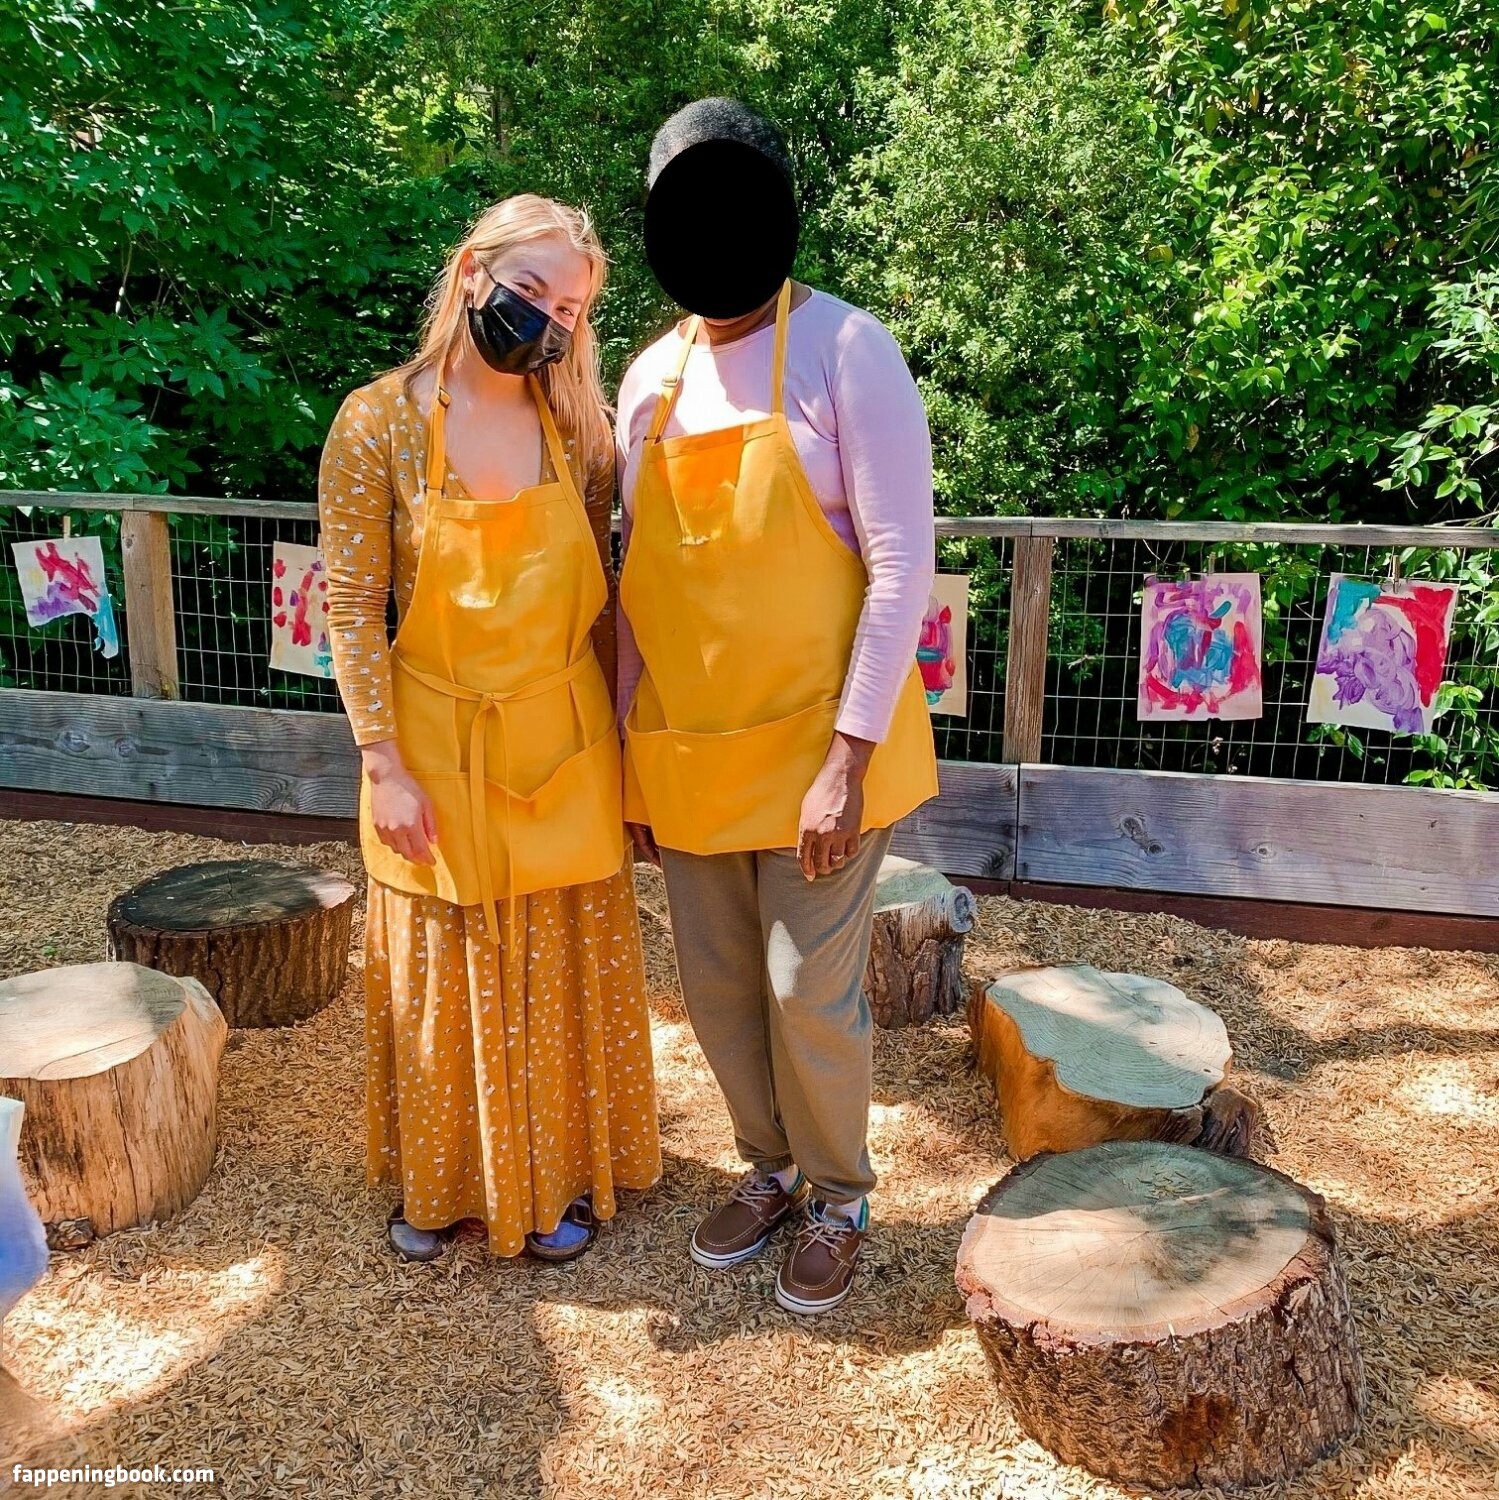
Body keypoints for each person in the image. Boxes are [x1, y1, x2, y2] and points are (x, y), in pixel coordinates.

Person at [616, 100, 939, 1315]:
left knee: (806, 988)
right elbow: (634, 588)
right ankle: (769, 1168)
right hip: (691, 753)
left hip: (818, 751)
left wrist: (846, 759)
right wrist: (631, 758)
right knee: (714, 990)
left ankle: (840, 1195)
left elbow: (900, 567)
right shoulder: (647, 380)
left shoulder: (848, 350)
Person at [318, 195, 660, 1265]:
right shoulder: (375, 422)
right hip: (432, 743)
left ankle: (553, 1180)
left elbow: (603, 600)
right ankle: (445, 1184)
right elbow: (350, 608)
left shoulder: (579, 432)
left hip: (563, 737)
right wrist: (383, 765)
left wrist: (623, 750)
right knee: (445, 970)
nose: (546, 321)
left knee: (558, 967)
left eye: (568, 309)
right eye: (532, 291)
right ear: (472, 271)